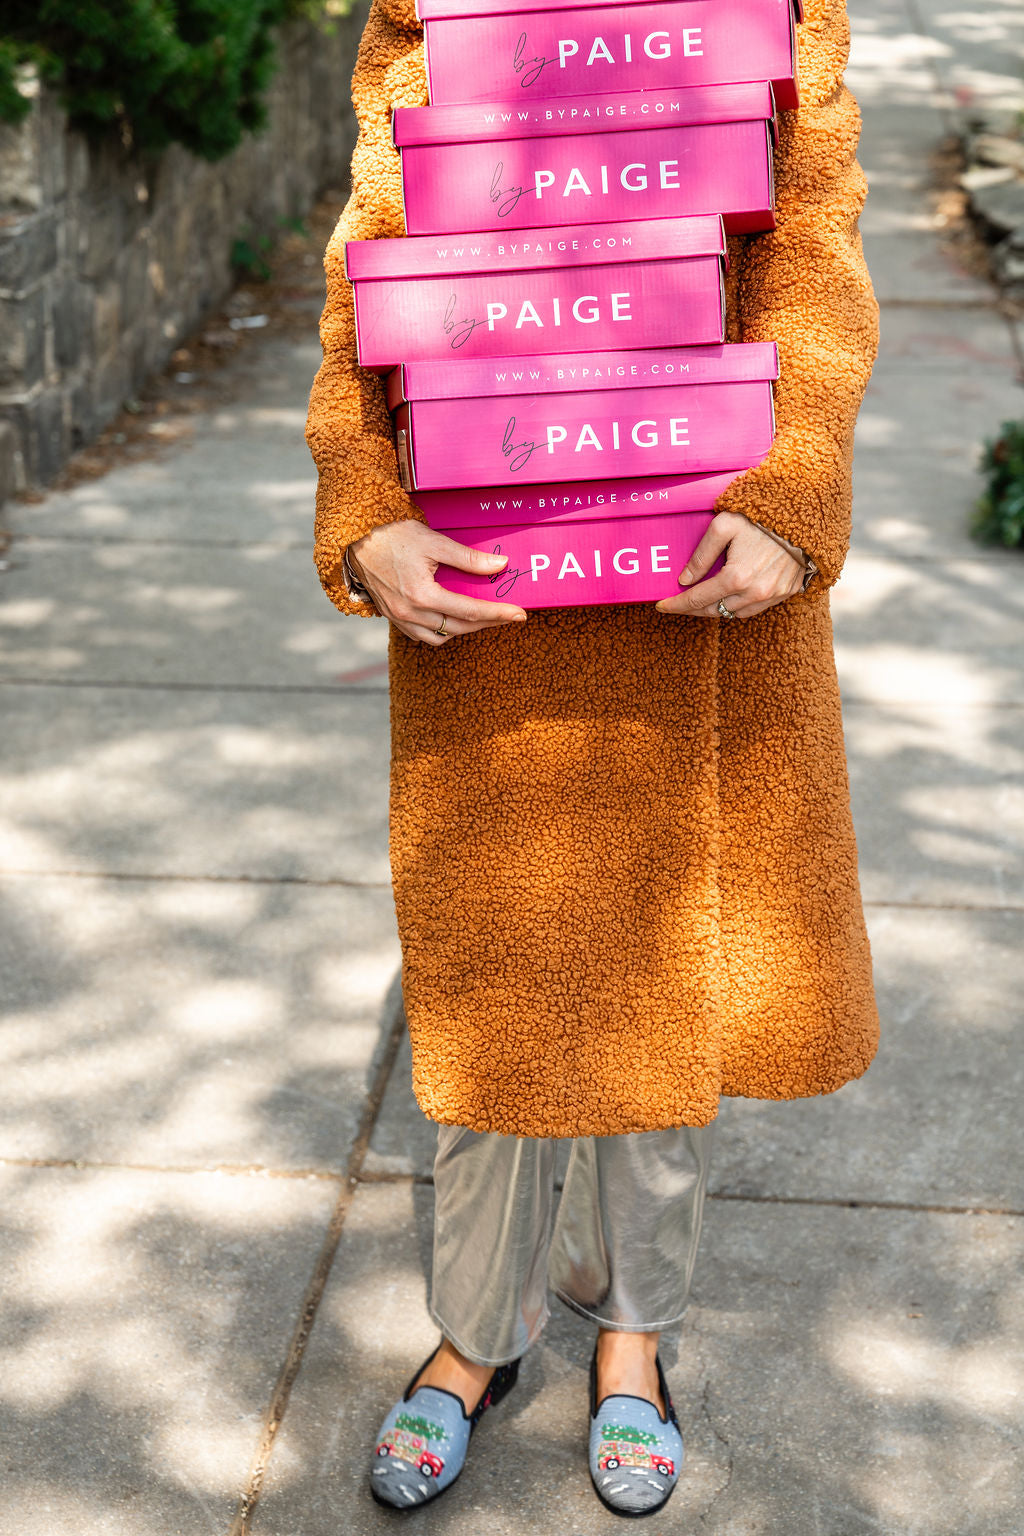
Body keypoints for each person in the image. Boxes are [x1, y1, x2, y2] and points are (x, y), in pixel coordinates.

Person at [305, 0, 880, 1515]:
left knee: (667, 983)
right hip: (493, 581)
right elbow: (365, 274)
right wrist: (365, 515)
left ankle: (633, 1336)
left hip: (703, 566)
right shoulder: (434, 18)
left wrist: (793, 492)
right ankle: (475, 1337)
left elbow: (815, 265)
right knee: (496, 993)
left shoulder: (775, 16)